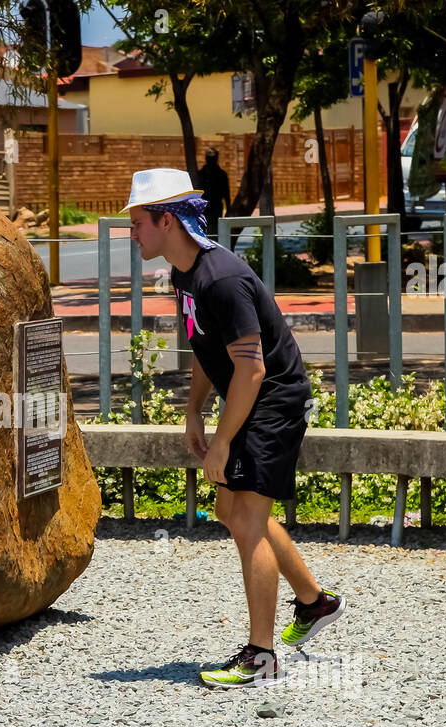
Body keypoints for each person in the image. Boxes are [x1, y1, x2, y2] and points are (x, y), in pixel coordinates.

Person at [123, 168, 347, 687]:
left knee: (246, 519)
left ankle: (261, 656)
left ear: (166, 220)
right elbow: (208, 348)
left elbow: (251, 369)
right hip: (249, 399)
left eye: (138, 223)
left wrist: (223, 442)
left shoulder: (219, 278)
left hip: (272, 402)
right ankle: (314, 603)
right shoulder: (186, 273)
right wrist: (194, 409)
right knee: (231, 508)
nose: (132, 233)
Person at [196, 149, 232, 228]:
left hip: (216, 207)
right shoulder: (200, 174)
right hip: (203, 208)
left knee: (215, 231)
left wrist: (228, 211)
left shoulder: (222, 175)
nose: (211, 161)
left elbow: (226, 194)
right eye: (209, 158)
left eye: (212, 159)